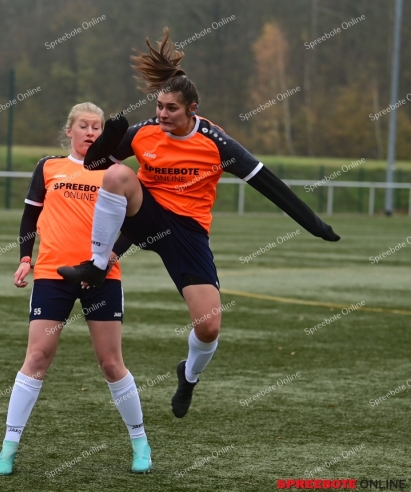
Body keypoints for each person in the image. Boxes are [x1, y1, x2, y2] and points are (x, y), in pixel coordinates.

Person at [58, 29, 339, 419]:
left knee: (209, 327)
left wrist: (315, 225)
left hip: (188, 232)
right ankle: (97, 263)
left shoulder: (215, 141)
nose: (162, 114)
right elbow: (96, 166)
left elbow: (268, 184)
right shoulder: (144, 132)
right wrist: (109, 141)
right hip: (147, 212)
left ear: (192, 108)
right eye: (158, 106)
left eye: (171, 108)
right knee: (119, 176)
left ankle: (188, 376)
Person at [0, 103, 152, 476]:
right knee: (36, 358)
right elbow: (30, 215)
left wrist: (112, 255)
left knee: (111, 364)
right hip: (52, 275)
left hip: (101, 277)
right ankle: (8, 447)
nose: (91, 132)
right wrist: (24, 258)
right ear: (70, 130)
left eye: (97, 127)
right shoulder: (49, 167)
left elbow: (136, 223)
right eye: (84, 126)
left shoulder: (118, 173)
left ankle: (140, 442)